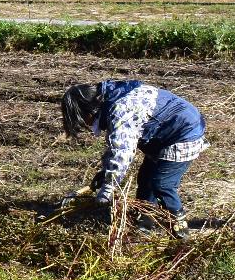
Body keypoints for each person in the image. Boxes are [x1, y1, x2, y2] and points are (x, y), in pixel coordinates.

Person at [61, 80, 207, 237]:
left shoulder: (120, 109)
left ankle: (180, 231)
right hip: (163, 133)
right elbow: (115, 144)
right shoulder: (112, 96)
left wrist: (106, 191)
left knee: (162, 184)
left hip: (183, 132)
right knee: (145, 179)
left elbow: (122, 154)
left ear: (88, 111)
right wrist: (105, 173)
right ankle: (144, 223)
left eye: (83, 119)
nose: (86, 125)